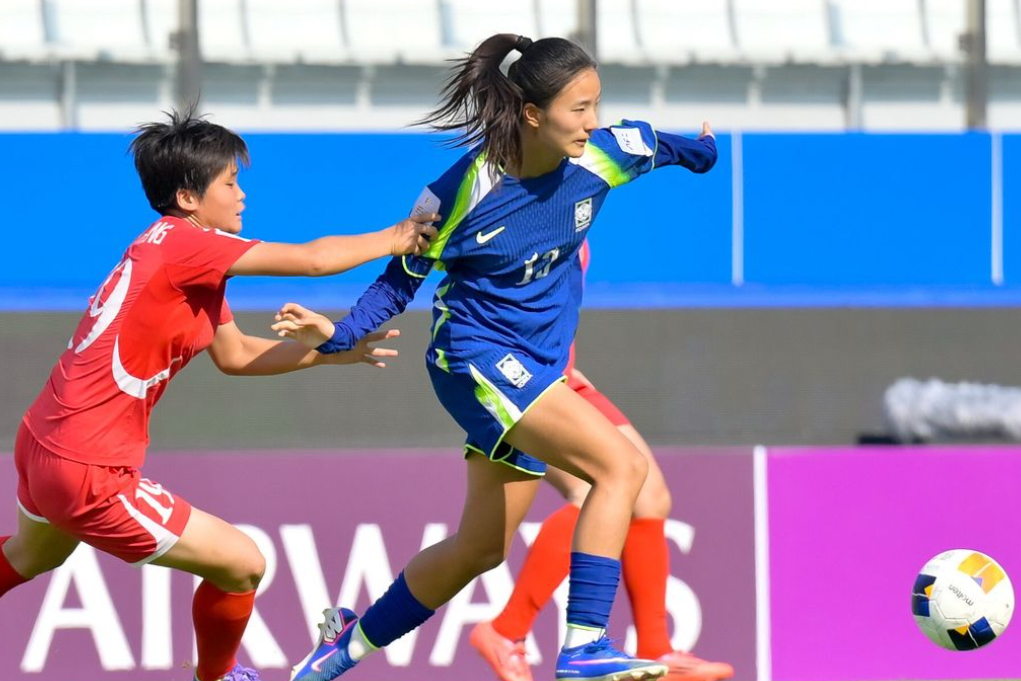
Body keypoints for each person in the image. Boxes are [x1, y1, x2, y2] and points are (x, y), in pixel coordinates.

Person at [275, 33, 717, 681]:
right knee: (622, 469)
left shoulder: (606, 155)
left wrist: (704, 152)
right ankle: (585, 643)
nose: (592, 122)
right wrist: (336, 337)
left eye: (597, 105)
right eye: (578, 109)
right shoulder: (460, 190)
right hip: (474, 358)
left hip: (534, 369)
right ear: (532, 114)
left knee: (479, 549)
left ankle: (342, 645)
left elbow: (673, 147)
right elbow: (398, 282)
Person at [0, 109, 438, 681]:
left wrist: (336, 349)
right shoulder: (188, 245)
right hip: (88, 467)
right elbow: (314, 260)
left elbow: (234, 357)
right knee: (243, 565)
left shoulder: (174, 254)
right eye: (229, 183)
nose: (241, 195)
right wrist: (399, 237)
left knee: (31, 556)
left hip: (43, 443)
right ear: (187, 196)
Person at [468, 243, 734, 681]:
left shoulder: (571, 200)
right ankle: (505, 630)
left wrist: (565, 363)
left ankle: (657, 649)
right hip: (520, 384)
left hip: (559, 374)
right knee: (596, 488)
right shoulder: (515, 202)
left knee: (650, 497)